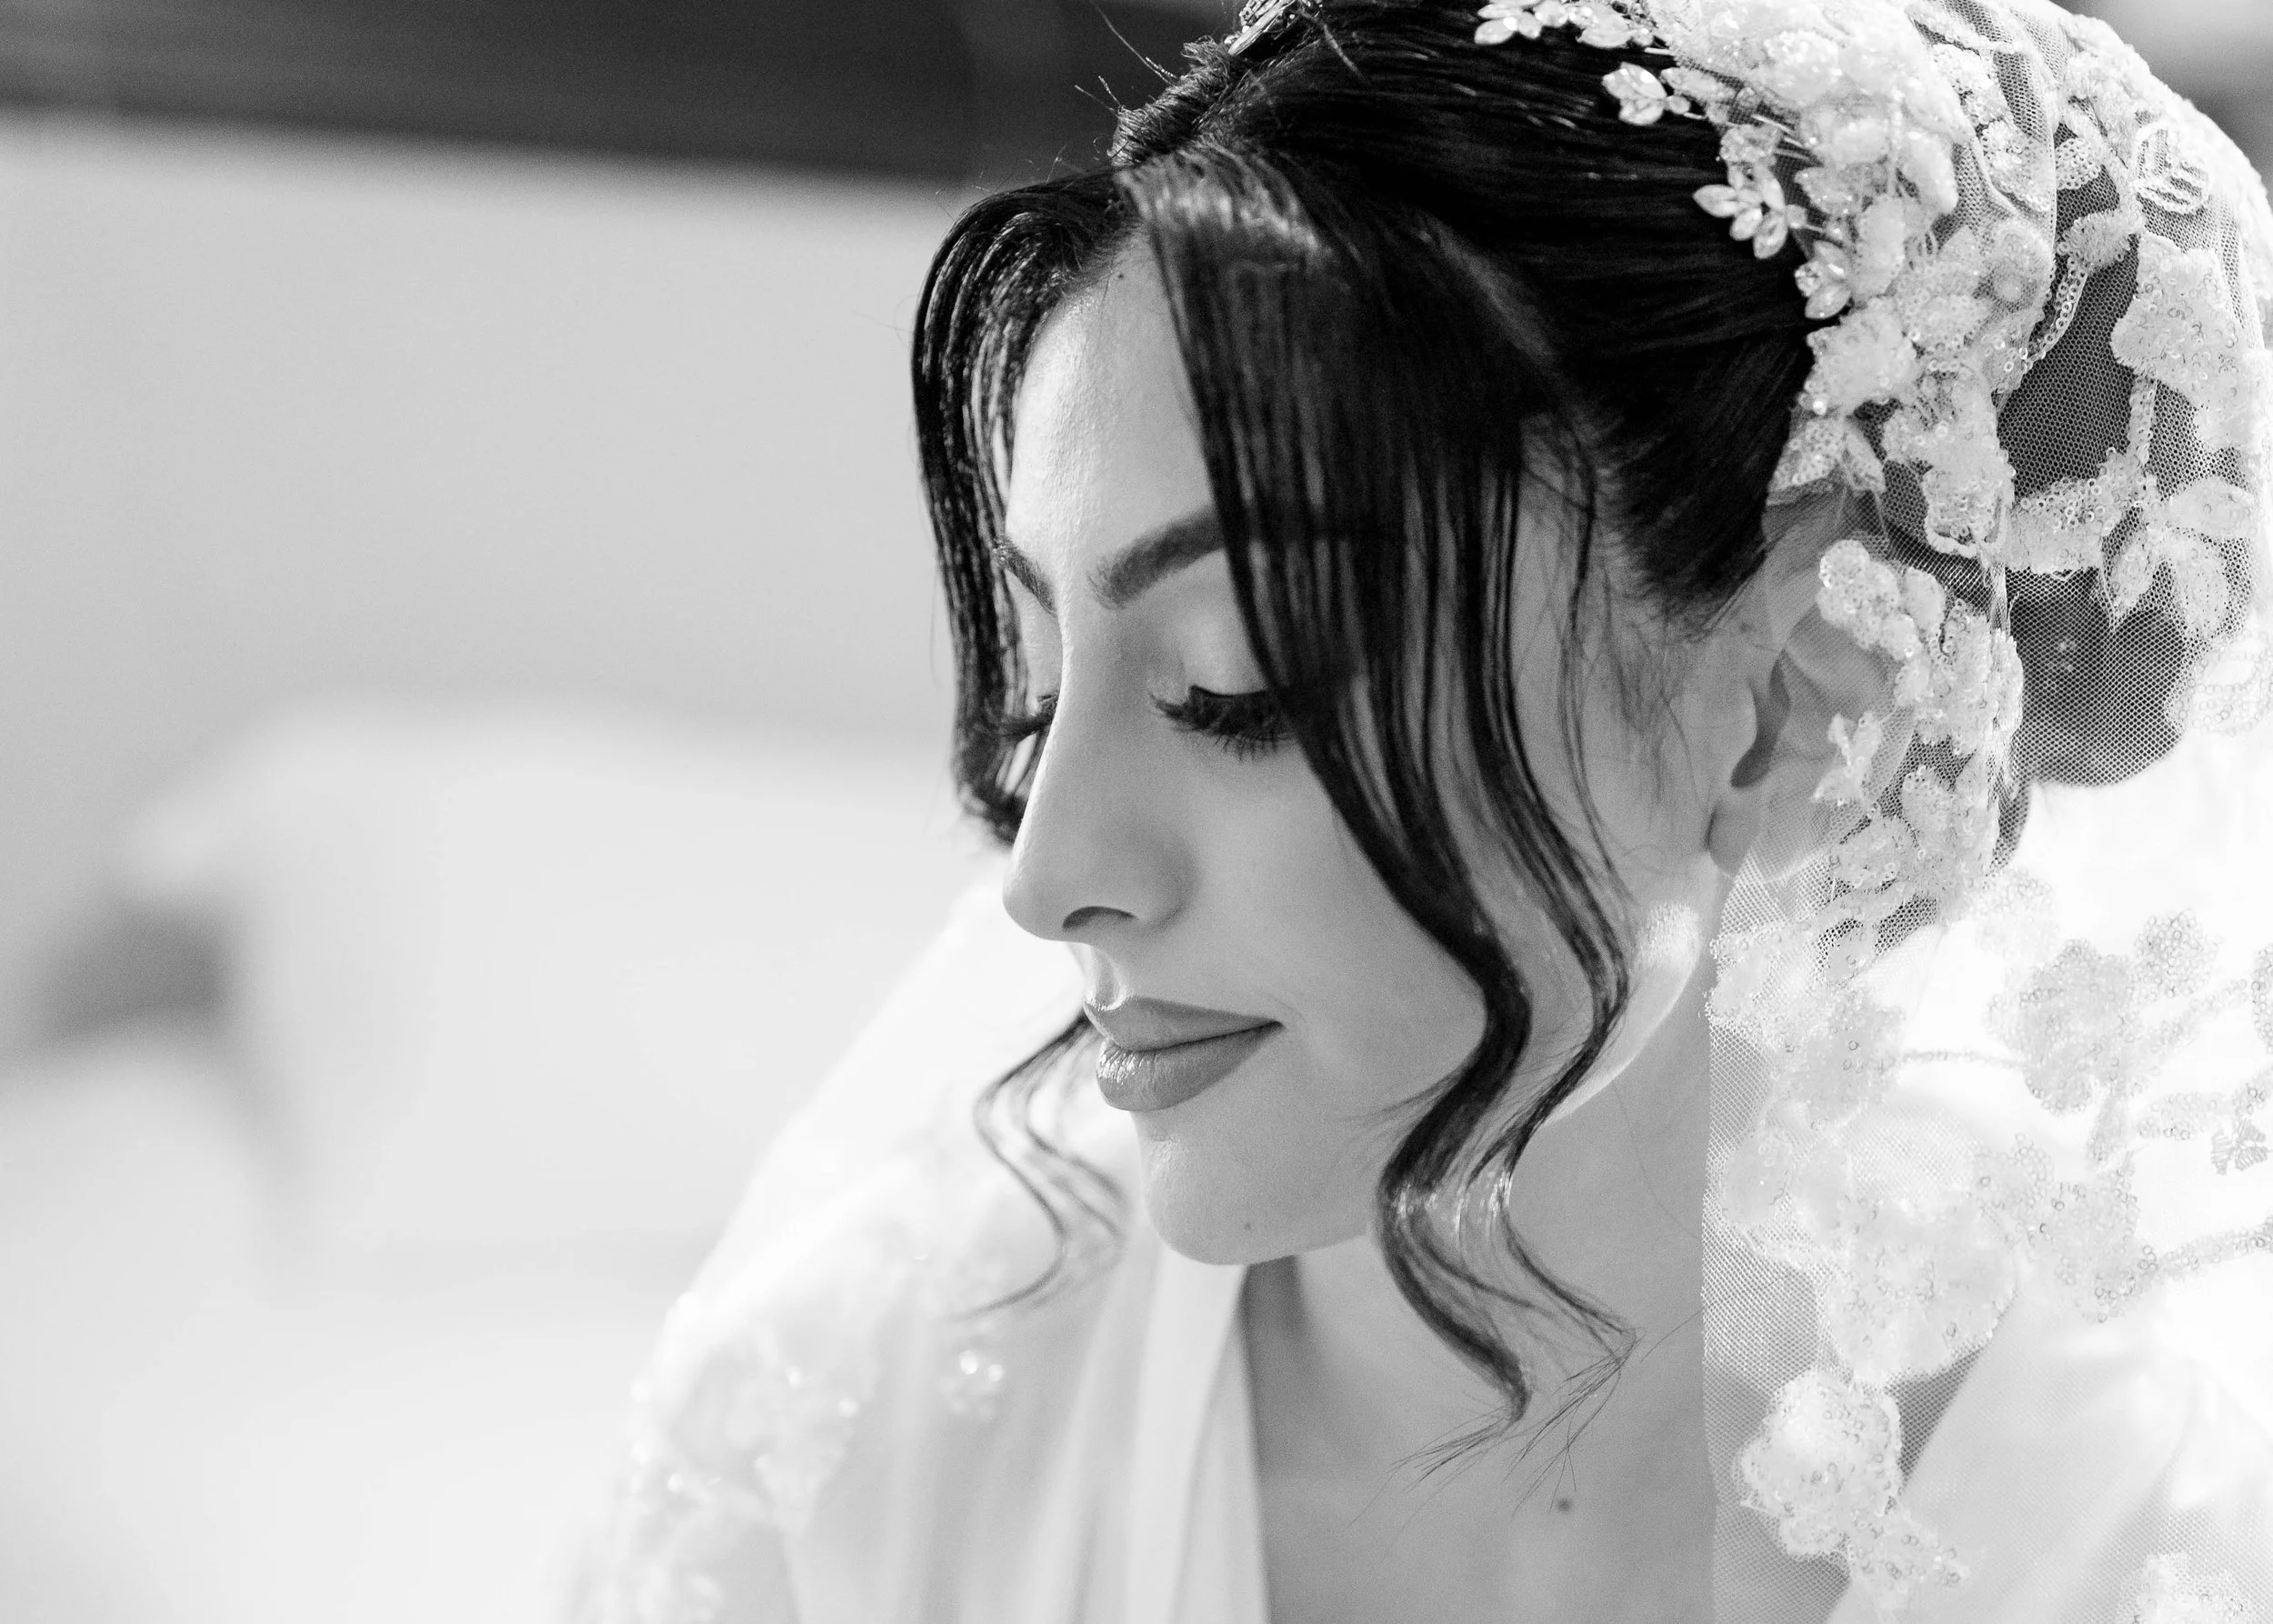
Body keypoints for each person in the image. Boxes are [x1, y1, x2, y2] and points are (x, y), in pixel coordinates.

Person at [577, 0, 2273, 1619]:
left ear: (1787, 717)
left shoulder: (2162, 1538)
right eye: (1045, 674)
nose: (1048, 872)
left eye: (1234, 682)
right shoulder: (855, 1449)